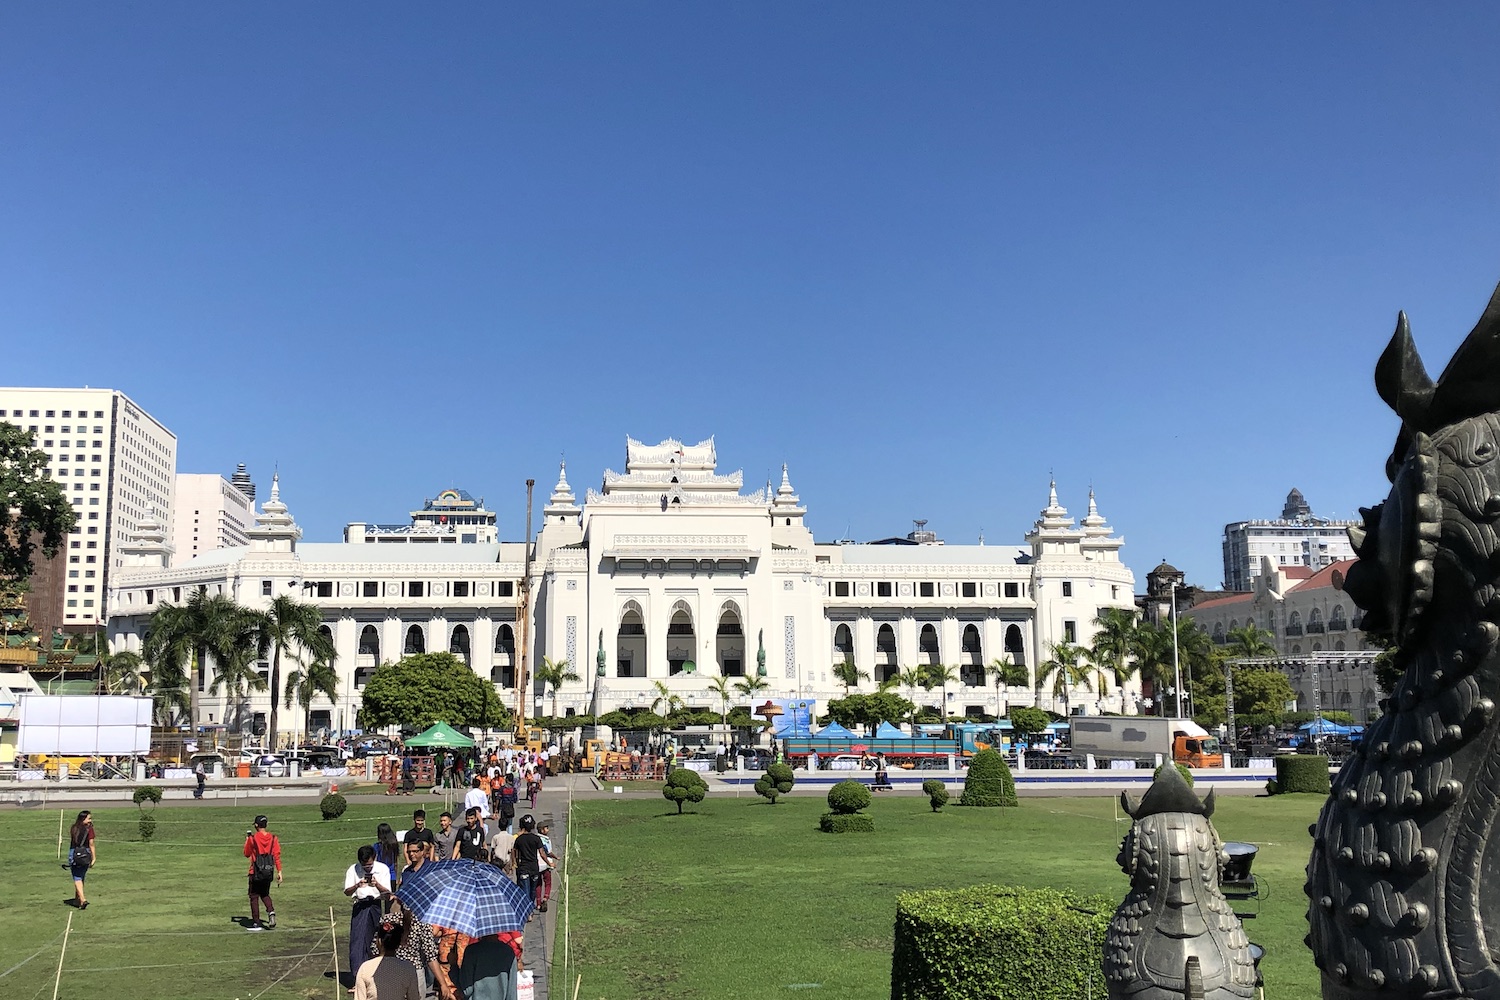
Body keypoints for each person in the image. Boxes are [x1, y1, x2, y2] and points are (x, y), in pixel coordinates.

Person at [390, 845, 456, 999]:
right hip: (412, 970)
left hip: (398, 970)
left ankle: (431, 983)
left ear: (423, 852)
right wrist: (444, 984)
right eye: (409, 852)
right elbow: (431, 957)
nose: (412, 854)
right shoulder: (406, 873)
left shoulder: (431, 870)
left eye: (415, 851)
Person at [345, 845, 392, 990]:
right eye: (364, 866)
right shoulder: (353, 869)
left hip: (375, 905)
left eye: (369, 865)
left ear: (375, 858)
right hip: (360, 906)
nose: (367, 869)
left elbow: (387, 894)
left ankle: (373, 978)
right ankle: (357, 979)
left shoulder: (382, 869)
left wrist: (376, 884)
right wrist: (357, 885)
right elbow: (347, 891)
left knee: (374, 941)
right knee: (357, 942)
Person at [354, 913, 423, 1000]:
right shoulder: (408, 968)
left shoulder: (366, 968)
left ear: (378, 941)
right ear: (399, 943)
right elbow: (414, 997)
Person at [243, 814, 283, 930]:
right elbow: (276, 855)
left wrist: (247, 842)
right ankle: (271, 912)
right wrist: (279, 871)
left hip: (255, 871)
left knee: (254, 896)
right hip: (268, 871)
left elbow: (246, 853)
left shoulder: (253, 838)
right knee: (265, 894)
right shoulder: (273, 838)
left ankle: (256, 922)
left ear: (256, 825)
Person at [511, 814, 546, 912]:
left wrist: (514, 863)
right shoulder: (536, 839)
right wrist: (549, 863)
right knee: (532, 890)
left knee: (524, 890)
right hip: (534, 867)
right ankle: (530, 908)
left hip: (523, 868)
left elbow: (514, 851)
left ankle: (527, 912)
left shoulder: (519, 839)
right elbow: (542, 853)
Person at [67, 810, 95, 909]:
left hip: (74, 853)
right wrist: (93, 857)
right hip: (86, 853)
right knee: (80, 876)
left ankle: (81, 899)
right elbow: (91, 844)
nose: (90, 820)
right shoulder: (90, 829)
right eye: (89, 818)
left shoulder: (74, 828)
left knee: (77, 877)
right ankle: (79, 899)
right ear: (83, 819)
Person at [537, 821, 559, 910]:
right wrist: (555, 858)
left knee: (538, 884)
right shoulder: (545, 839)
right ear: (542, 830)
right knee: (548, 882)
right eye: (546, 828)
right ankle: (545, 897)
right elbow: (547, 852)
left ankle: (538, 903)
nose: (548, 829)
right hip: (545, 864)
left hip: (537, 864)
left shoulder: (536, 838)